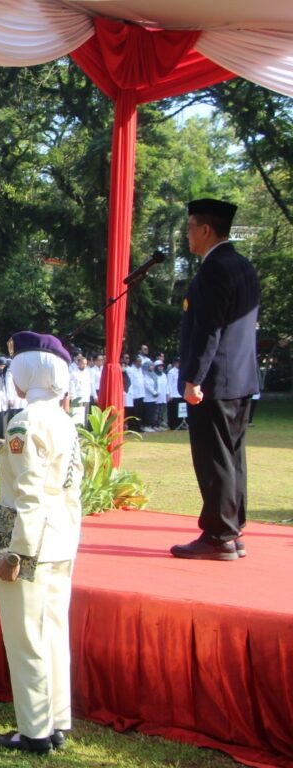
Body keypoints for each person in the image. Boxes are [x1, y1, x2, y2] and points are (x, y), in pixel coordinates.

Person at [0, 331, 82, 755]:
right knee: (54, 633)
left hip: (30, 541)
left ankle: (33, 730)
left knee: (26, 638)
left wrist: (17, 552)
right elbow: (71, 488)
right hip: (61, 538)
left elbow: (28, 493)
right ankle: (56, 720)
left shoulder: (24, 422)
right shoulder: (65, 420)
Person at [172, 199, 260, 561]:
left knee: (214, 460)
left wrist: (194, 378)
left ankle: (218, 535)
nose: (187, 235)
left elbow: (209, 330)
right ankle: (233, 529)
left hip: (214, 380)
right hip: (240, 377)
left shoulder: (213, 269)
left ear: (206, 229)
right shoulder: (243, 266)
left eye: (190, 227)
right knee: (232, 458)